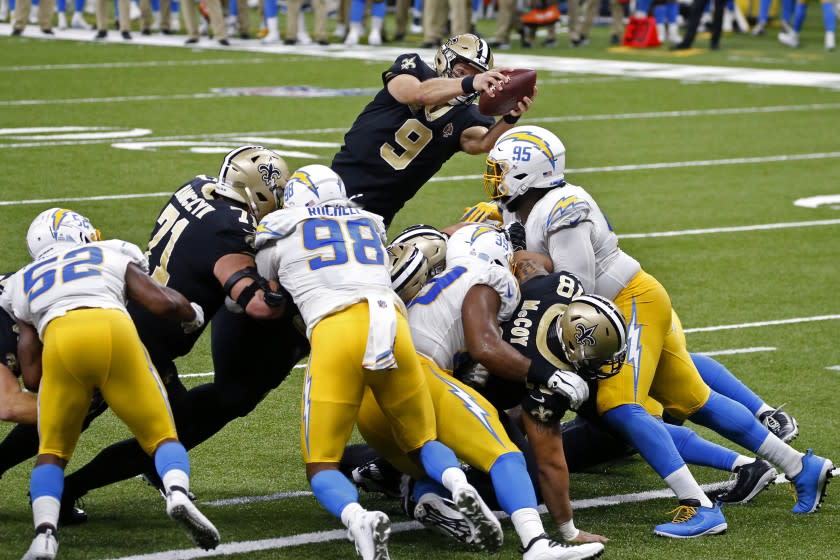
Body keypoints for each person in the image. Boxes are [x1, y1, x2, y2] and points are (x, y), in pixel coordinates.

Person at [483, 125, 835, 534]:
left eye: (501, 168)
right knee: (694, 399)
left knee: (620, 407)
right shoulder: (520, 206)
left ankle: (699, 506)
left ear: (530, 173)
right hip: (626, 304)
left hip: (623, 305)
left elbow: (576, 291)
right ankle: (800, 465)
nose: (494, 176)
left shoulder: (563, 207)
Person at [254, 165, 504, 559]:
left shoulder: (279, 226)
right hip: (392, 322)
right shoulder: (370, 222)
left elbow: (265, 293)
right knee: (422, 441)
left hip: (336, 328)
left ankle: (357, 518)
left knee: (321, 464)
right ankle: (458, 484)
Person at [52, 146, 307, 520]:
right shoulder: (232, 229)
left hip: (125, 311)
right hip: (146, 338)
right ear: (259, 190)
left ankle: (68, 487)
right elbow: (254, 302)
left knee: (69, 415)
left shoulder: (197, 187)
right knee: (166, 430)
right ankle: (68, 489)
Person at [356, 224, 607, 559]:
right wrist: (549, 375)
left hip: (371, 399)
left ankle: (415, 490)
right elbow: (484, 345)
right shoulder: (490, 275)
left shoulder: (440, 279)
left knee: (433, 465)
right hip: (419, 377)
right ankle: (536, 543)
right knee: (505, 456)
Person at [5, 208, 219, 560]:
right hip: (111, 330)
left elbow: (31, 374)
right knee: (161, 434)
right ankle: (177, 492)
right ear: (79, 232)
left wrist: (69, 380)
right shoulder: (109, 251)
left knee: (52, 453)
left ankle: (44, 534)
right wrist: (192, 313)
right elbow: (159, 300)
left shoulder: (22, 281)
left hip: (60, 342)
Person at [330, 33, 535, 228]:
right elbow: (416, 94)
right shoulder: (413, 69)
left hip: (377, 214)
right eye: (462, 71)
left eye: (477, 77)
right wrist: (470, 82)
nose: (471, 83)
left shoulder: (467, 115)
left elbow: (482, 142)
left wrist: (511, 116)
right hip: (335, 189)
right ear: (444, 61)